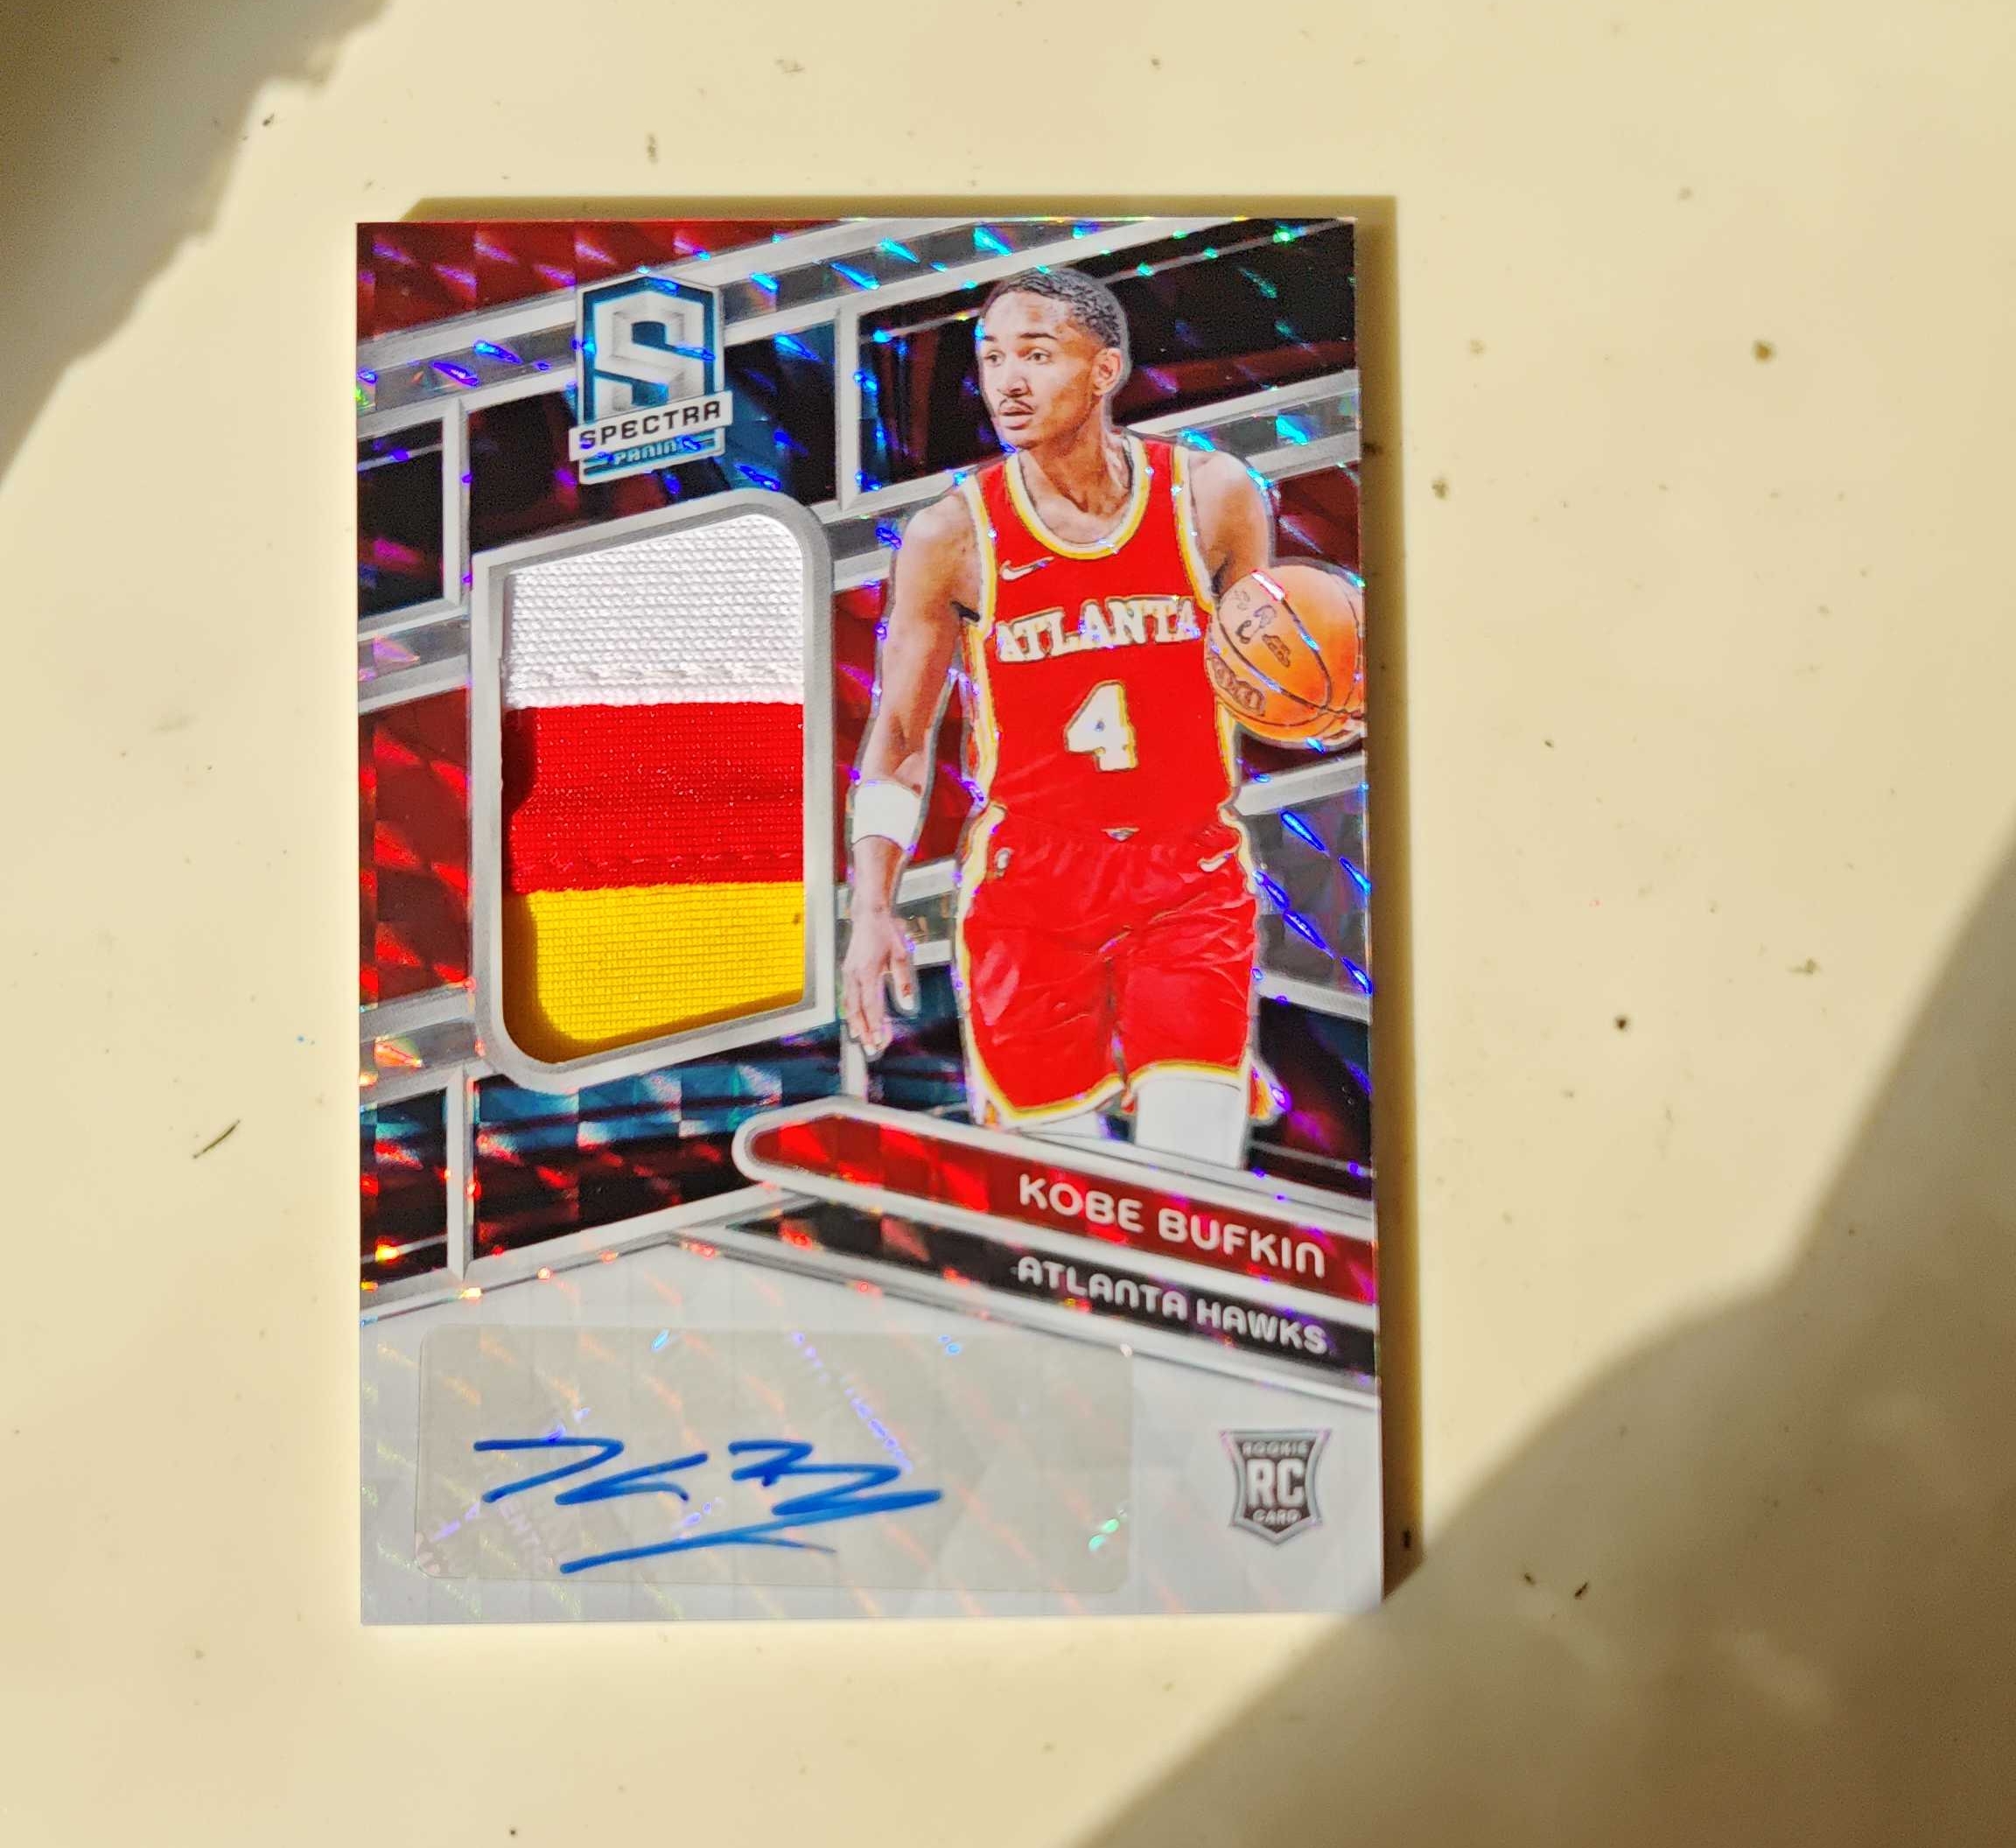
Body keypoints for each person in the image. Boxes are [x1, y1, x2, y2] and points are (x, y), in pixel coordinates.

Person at [841, 267, 1274, 1166]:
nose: (1008, 382)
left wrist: (1329, 706)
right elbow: (902, 738)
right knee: (1062, 1198)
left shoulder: (1213, 496)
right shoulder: (952, 536)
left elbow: (1269, 680)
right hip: (1032, 886)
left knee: (1192, 1180)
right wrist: (872, 907)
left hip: (1186, 871)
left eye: (1036, 356)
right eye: (992, 358)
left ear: (1105, 368)